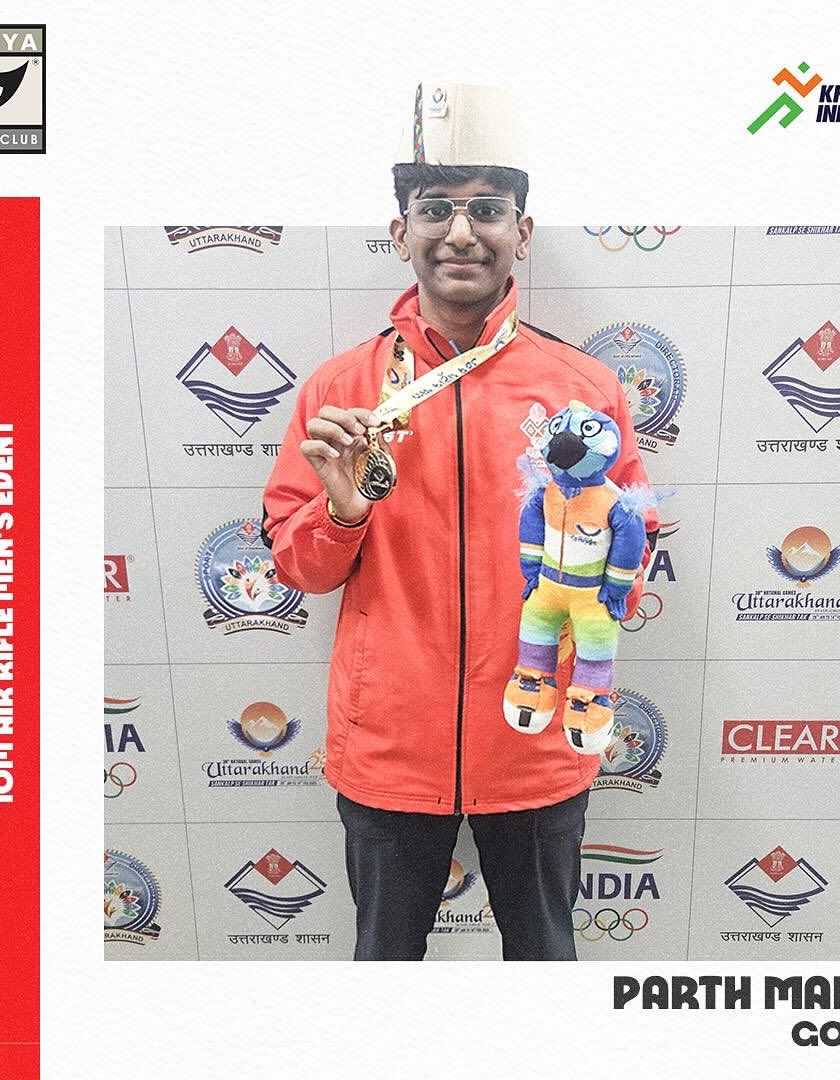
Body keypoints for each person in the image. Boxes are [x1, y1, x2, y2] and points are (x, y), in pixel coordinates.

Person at [261, 82, 659, 960]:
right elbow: (300, 569)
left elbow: (629, 560)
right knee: (386, 963)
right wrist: (343, 512)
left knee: (545, 960)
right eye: (435, 208)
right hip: (389, 747)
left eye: (487, 208)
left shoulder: (582, 389)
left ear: (523, 230)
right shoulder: (342, 390)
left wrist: (599, 572)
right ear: (399, 231)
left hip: (535, 741)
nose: (461, 231)